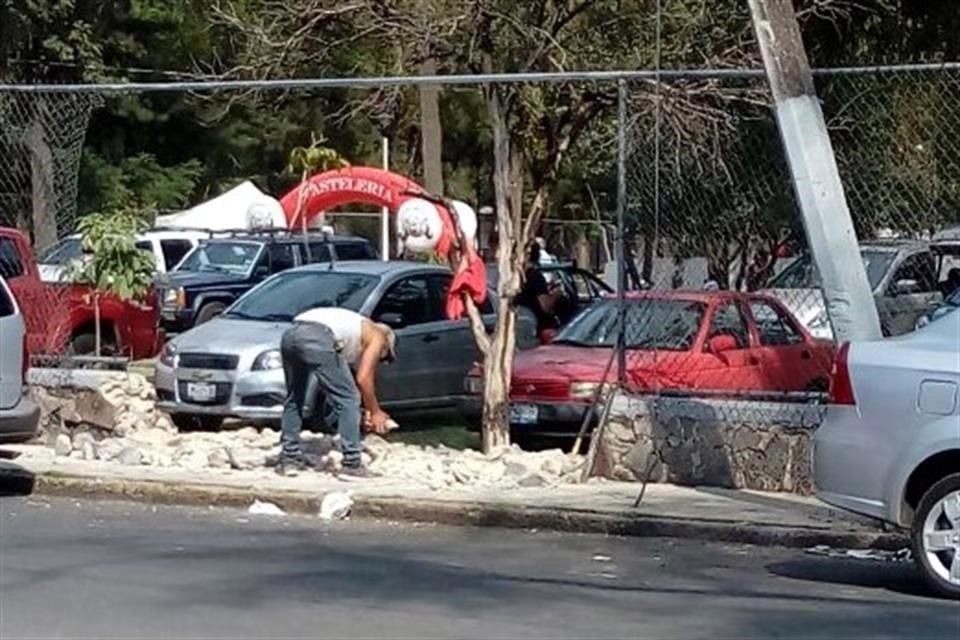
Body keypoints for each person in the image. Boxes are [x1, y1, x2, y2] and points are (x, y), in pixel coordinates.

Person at [276, 307, 397, 478]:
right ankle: (352, 463)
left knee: (295, 397)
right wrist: (375, 412)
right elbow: (363, 379)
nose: (378, 360)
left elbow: (333, 384)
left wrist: (367, 410)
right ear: (386, 344)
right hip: (318, 336)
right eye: (382, 357)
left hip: (290, 334)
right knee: (349, 398)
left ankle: (288, 459)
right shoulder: (377, 336)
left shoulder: (354, 330)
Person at [517, 243, 560, 336]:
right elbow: (546, 307)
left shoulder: (517, 277)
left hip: (521, 323)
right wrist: (556, 295)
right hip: (538, 326)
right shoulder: (535, 277)